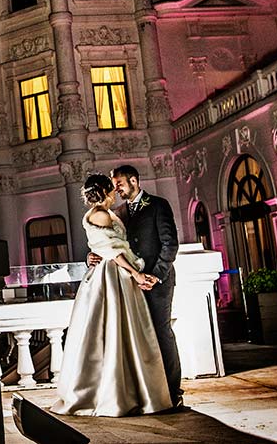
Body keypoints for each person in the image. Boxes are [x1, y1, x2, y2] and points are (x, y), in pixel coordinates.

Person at [49, 173, 172, 417]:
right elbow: (112, 250)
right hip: (112, 275)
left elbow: (104, 244)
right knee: (112, 332)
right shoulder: (101, 214)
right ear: (106, 191)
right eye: (112, 187)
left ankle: (132, 390)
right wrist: (135, 274)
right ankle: (113, 394)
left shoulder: (108, 212)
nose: (116, 191)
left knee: (125, 333)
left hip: (116, 272)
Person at [91, 164, 184, 409]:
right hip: (129, 284)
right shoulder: (118, 212)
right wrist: (91, 257)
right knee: (139, 337)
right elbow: (108, 244)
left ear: (133, 180)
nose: (116, 188)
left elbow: (169, 244)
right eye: (114, 184)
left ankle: (173, 391)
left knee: (161, 332)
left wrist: (156, 275)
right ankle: (148, 392)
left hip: (157, 282)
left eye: (119, 183)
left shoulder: (158, 205)